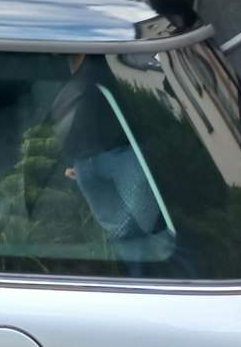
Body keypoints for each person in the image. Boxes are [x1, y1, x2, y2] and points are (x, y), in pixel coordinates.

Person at [53, 54, 170, 274]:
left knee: (152, 231)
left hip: (121, 154)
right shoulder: (55, 66)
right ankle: (140, 284)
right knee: (125, 237)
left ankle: (179, 281)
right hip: (84, 163)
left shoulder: (102, 56)